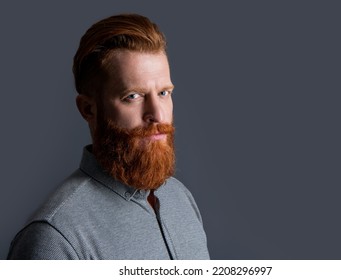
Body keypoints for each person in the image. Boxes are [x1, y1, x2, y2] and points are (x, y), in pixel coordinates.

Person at [7, 13, 209, 260]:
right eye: (132, 96)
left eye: (164, 93)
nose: (157, 114)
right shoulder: (54, 237)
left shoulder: (180, 198)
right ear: (88, 109)